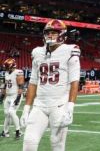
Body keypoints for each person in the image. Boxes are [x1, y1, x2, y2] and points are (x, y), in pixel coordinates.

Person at [20, 19, 80, 151]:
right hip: (39, 105)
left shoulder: (70, 50)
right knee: (29, 143)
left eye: (54, 32)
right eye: (48, 33)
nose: (50, 35)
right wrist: (26, 109)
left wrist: (70, 108)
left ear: (62, 34)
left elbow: (74, 81)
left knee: (57, 145)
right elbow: (33, 82)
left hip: (59, 105)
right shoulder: (37, 52)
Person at [0, 58, 24, 139]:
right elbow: (5, 85)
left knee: (11, 112)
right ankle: (5, 132)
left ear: (11, 66)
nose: (6, 68)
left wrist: (18, 97)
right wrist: (2, 96)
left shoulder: (18, 72)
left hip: (15, 95)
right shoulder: (6, 73)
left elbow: (21, 86)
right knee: (7, 114)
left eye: (7, 67)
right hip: (8, 96)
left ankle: (18, 131)